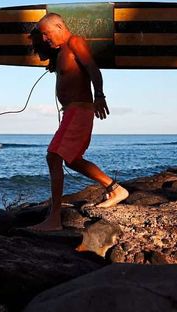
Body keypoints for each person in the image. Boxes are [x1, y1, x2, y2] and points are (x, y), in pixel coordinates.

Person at [29, 13, 129, 232]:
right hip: (71, 112)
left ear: (59, 27)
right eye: (43, 36)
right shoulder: (60, 52)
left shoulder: (75, 42)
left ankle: (54, 219)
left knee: (54, 156)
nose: (45, 39)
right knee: (72, 160)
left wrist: (100, 96)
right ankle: (115, 189)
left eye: (47, 34)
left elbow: (93, 69)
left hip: (79, 110)